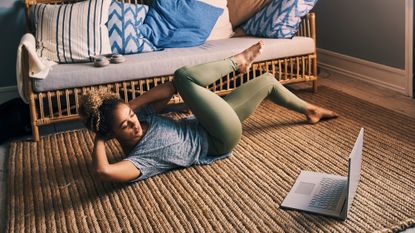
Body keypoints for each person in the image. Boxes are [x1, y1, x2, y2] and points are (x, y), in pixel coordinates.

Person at [78, 41, 338, 183]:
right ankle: (238, 61)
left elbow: (168, 90)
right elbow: (103, 171)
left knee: (267, 81)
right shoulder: (139, 160)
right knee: (183, 76)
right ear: (112, 133)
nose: (134, 125)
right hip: (216, 139)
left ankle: (310, 110)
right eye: (125, 125)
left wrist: (132, 107)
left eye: (131, 118)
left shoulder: (143, 117)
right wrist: (101, 135)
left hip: (205, 122)